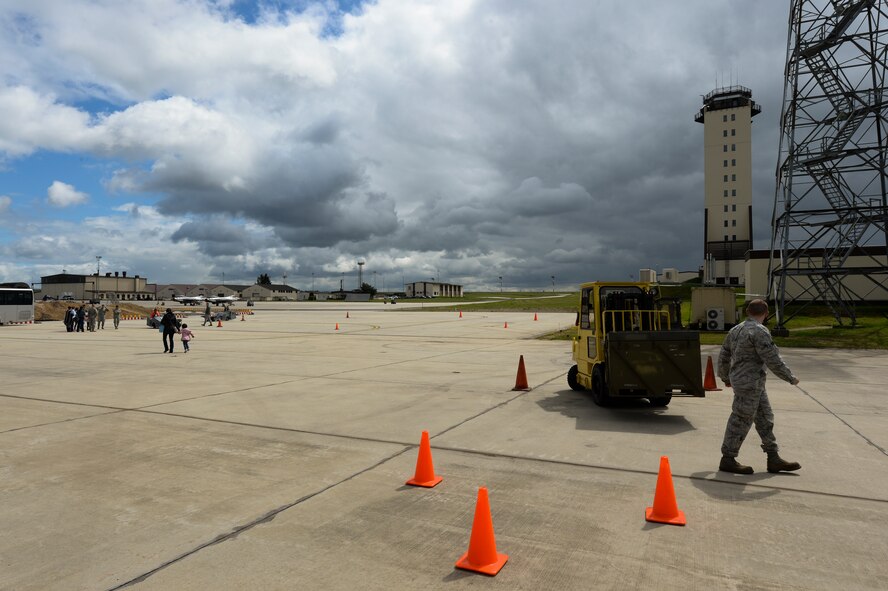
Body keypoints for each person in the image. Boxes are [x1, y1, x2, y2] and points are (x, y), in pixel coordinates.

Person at [717, 299, 801, 474]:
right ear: (766, 313)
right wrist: (790, 377)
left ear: (748, 311)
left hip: (752, 384)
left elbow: (723, 355)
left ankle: (773, 457)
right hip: (749, 384)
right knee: (740, 419)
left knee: (765, 418)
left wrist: (726, 376)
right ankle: (728, 458)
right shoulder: (759, 331)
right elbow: (772, 358)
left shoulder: (735, 330)